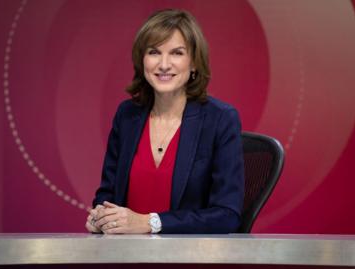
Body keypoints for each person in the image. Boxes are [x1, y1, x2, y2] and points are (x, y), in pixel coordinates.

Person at [86, 9, 244, 234]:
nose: (164, 64)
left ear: (194, 63)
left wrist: (149, 223)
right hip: (125, 255)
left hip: (190, 259)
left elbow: (227, 215)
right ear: (143, 61)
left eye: (177, 53)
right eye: (154, 52)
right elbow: (107, 195)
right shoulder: (127, 115)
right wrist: (101, 216)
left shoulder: (220, 119)